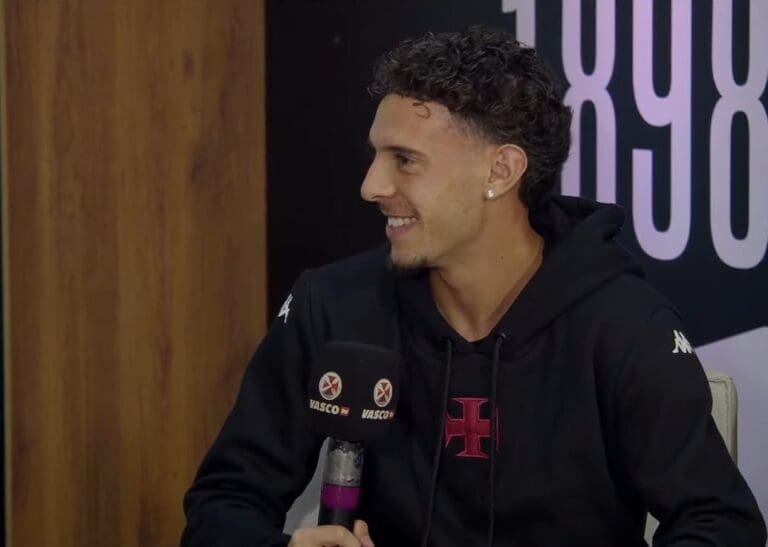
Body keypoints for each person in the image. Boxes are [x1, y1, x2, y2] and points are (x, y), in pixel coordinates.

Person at [181, 26, 766, 547]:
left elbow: (721, 523)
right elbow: (223, 503)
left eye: (404, 160)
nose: (370, 185)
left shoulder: (623, 325)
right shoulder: (333, 306)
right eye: (376, 156)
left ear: (500, 171)